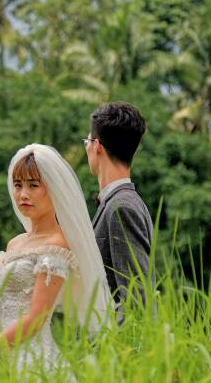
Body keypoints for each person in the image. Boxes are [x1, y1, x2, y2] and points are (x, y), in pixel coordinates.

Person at [0, 144, 112, 374]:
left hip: (33, 361)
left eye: (33, 186)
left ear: (53, 189)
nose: (23, 194)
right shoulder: (15, 243)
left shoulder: (56, 246)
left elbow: (37, 318)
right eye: (18, 185)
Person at [85, 102, 155, 321]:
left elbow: (136, 302)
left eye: (87, 141)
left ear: (97, 146)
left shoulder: (122, 208)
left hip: (114, 351)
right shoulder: (122, 202)